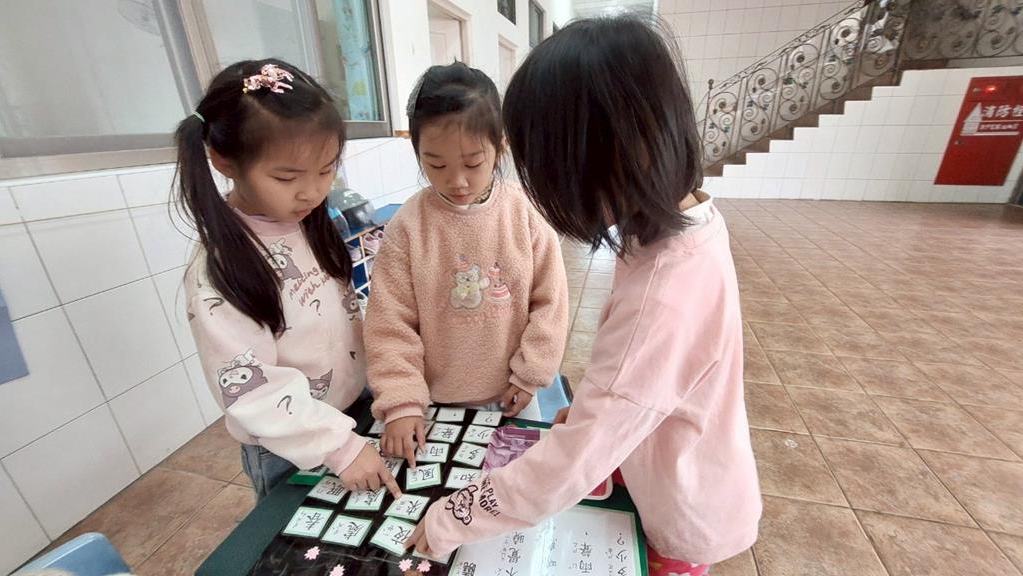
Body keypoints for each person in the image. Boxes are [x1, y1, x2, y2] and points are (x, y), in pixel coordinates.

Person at [408, 16, 761, 575]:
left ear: (602, 159)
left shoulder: (663, 291)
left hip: (679, 516)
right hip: (675, 467)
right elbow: (657, 381)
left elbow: (574, 460)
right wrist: (613, 403)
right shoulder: (684, 222)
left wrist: (454, 517)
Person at [178, 59, 400, 501]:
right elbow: (251, 390)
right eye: (286, 177)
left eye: (326, 170)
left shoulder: (308, 221)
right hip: (286, 445)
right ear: (224, 161)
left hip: (349, 412)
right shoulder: (221, 268)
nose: (312, 192)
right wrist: (340, 448)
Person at [365, 62, 569, 467]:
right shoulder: (408, 226)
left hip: (513, 395)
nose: (456, 181)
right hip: (434, 404)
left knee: (514, 489)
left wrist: (531, 374)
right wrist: (401, 401)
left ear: (500, 147)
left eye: (473, 163)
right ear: (417, 152)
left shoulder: (524, 212)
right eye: (436, 165)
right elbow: (390, 322)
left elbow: (551, 301)